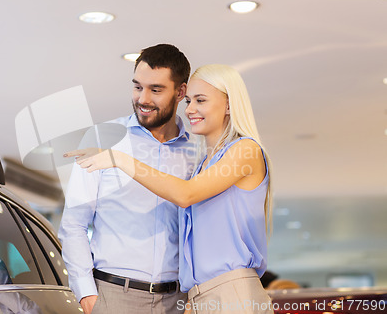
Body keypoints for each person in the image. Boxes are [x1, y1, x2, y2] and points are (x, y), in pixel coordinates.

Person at [67, 64, 275, 313]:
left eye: (200, 100)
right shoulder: (203, 163)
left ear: (229, 105)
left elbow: (185, 194)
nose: (190, 109)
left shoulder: (245, 151)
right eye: (189, 101)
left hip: (231, 293)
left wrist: (119, 159)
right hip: (199, 296)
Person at [58, 44, 197, 314]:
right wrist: (86, 294)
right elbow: (74, 224)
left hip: (178, 300)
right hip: (112, 296)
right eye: (137, 87)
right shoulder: (102, 139)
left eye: (156, 90)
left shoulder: (196, 151)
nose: (143, 98)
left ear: (181, 92)